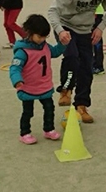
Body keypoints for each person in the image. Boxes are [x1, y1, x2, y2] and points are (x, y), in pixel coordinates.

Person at [9, 14, 66, 144]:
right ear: (29, 33)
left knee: (49, 108)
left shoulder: (45, 46)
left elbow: (55, 52)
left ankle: (49, 129)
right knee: (28, 111)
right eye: (39, 36)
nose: (42, 39)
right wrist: (17, 80)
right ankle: (25, 133)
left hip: (44, 86)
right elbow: (15, 68)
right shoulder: (22, 51)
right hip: (28, 87)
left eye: (45, 37)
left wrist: (63, 44)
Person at [55, 0, 92, 105]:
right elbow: (55, 8)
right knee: (71, 57)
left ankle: (82, 104)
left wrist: (100, 26)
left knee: (86, 66)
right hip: (66, 25)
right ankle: (66, 89)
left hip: (87, 25)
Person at [92, 4, 105, 75]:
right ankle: (95, 63)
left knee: (96, 39)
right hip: (94, 11)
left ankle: (98, 66)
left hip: (95, 12)